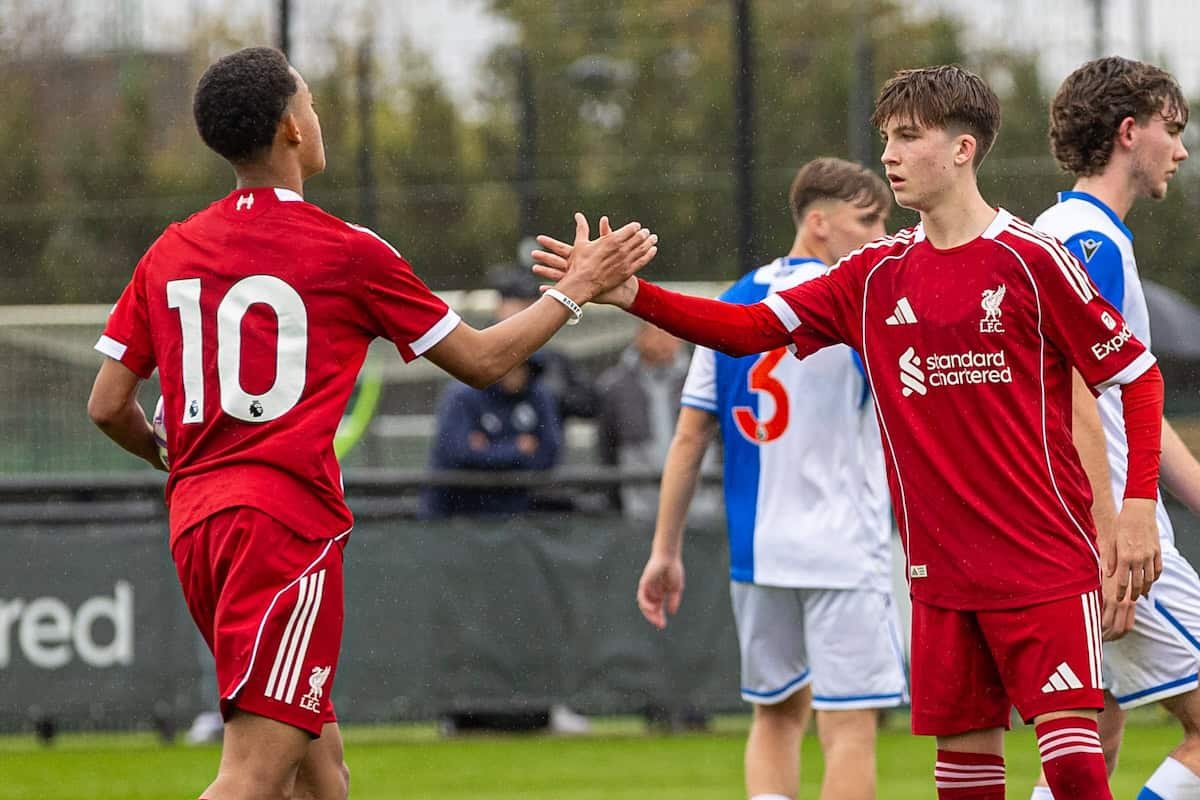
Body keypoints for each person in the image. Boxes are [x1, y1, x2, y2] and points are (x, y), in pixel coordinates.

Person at [533, 65, 1165, 800]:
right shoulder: (874, 274)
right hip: (940, 578)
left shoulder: (1032, 260)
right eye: (886, 138)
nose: (889, 155)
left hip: (1043, 564)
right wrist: (631, 295)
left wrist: (1138, 507)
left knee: (1077, 767)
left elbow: (1137, 375)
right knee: (963, 778)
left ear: (963, 149)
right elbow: (748, 329)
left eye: (907, 137)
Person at [85, 47, 655, 800]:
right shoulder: (345, 251)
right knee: (251, 777)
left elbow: (106, 405)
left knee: (324, 777)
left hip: (198, 524)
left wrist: (183, 458)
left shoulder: (171, 251)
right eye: (313, 104)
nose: (318, 117)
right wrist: (576, 287)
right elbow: (483, 361)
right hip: (281, 531)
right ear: (291, 127)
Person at [637, 156, 904, 800]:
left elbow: (689, 437)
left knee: (776, 717)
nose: (882, 236)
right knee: (848, 728)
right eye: (868, 221)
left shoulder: (731, 304)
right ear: (818, 223)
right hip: (845, 547)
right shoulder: (860, 305)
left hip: (759, 553)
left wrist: (663, 551)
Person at [1030, 56, 1200, 800]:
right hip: (1112, 534)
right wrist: (1113, 532)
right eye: (1174, 128)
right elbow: (1068, 392)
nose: (1182, 150)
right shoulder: (1088, 242)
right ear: (1130, 132)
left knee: (1091, 732)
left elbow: (1125, 393)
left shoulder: (1076, 231)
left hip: (1085, 526)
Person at [595, 321, 720, 521]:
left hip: (700, 497)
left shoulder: (703, 379)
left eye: (670, 334)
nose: (663, 342)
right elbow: (606, 444)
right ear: (639, 338)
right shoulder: (615, 385)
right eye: (656, 334)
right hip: (640, 501)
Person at [420, 356, 562, 518]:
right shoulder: (462, 396)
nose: (515, 374)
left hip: (514, 515)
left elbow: (548, 455)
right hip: (455, 514)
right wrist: (517, 449)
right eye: (509, 366)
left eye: (521, 368)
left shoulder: (540, 396)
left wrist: (489, 450)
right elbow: (460, 455)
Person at [489, 264, 600, 421]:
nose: (523, 311)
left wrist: (555, 395)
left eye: (529, 305)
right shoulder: (483, 354)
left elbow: (591, 404)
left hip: (548, 441)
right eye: (517, 304)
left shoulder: (553, 360)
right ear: (500, 306)